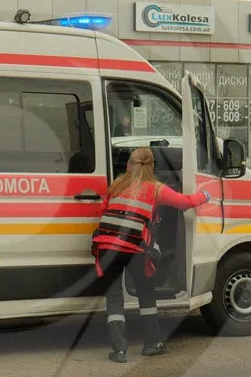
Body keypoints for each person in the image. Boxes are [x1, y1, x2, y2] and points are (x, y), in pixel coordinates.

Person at [91, 147, 212, 363]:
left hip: (108, 246)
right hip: (136, 248)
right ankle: (152, 343)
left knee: (114, 296)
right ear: (152, 166)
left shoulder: (116, 185)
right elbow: (184, 202)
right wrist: (205, 195)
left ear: (129, 164)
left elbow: (102, 213)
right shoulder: (156, 188)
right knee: (146, 292)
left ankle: (119, 350)